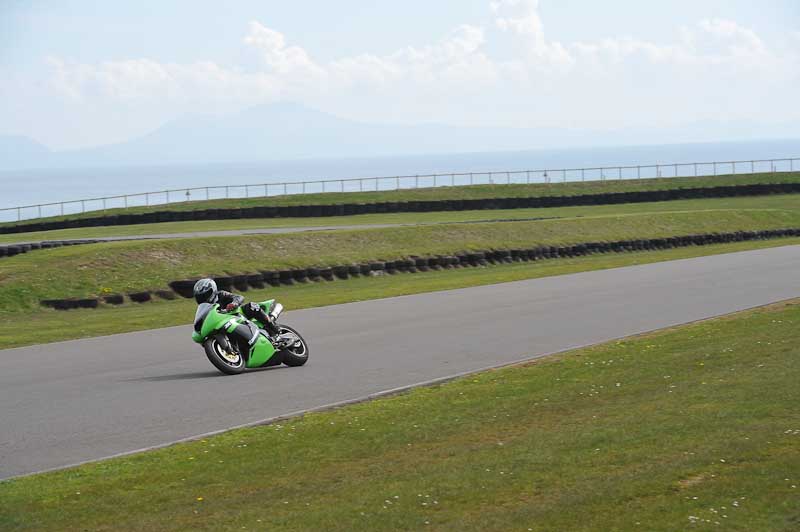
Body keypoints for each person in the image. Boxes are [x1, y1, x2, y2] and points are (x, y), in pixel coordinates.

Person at [193, 278, 280, 336]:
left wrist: (234, 303)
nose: (204, 298)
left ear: (213, 290)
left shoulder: (221, 295)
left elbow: (239, 297)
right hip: (224, 324)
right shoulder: (205, 308)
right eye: (201, 297)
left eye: (205, 295)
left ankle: (274, 328)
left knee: (252, 306)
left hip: (238, 315)